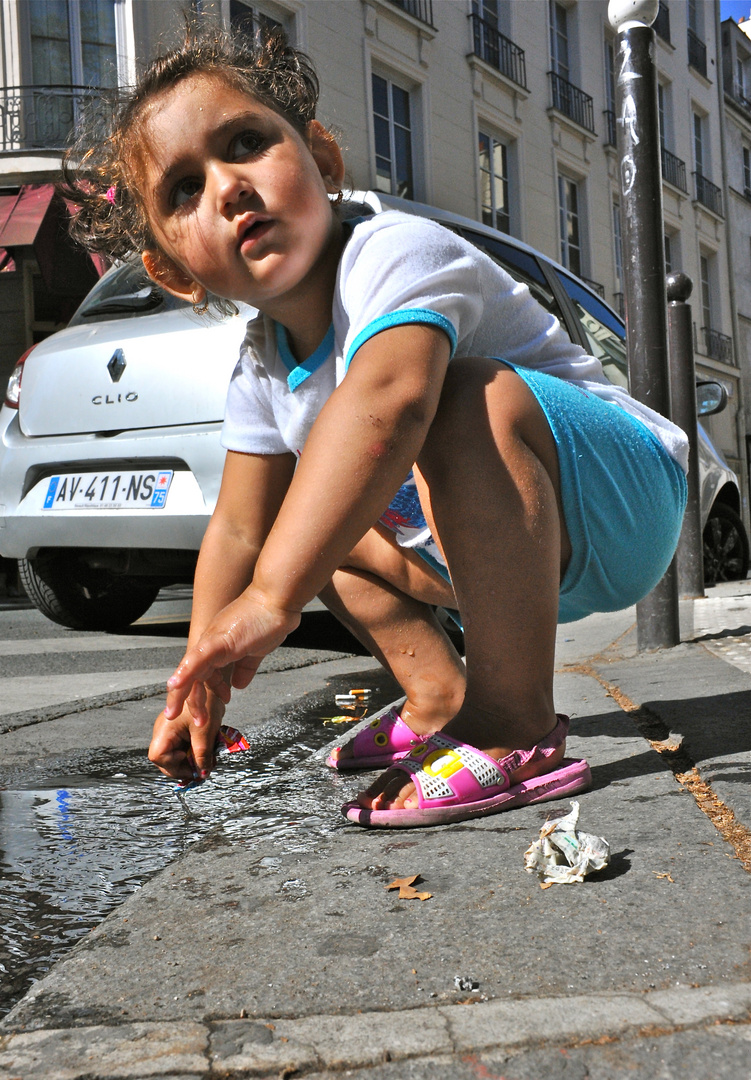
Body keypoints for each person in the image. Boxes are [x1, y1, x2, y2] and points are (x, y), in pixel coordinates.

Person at [62, 28, 688, 828]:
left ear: (322, 161)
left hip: (624, 502)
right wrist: (198, 681)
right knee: (311, 529)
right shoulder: (258, 365)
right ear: (175, 270)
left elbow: (387, 404)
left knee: (462, 396)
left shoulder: (394, 250)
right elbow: (241, 530)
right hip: (508, 555)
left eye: (246, 144)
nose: (227, 188)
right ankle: (436, 697)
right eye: (184, 190)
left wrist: (271, 601)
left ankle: (513, 721)